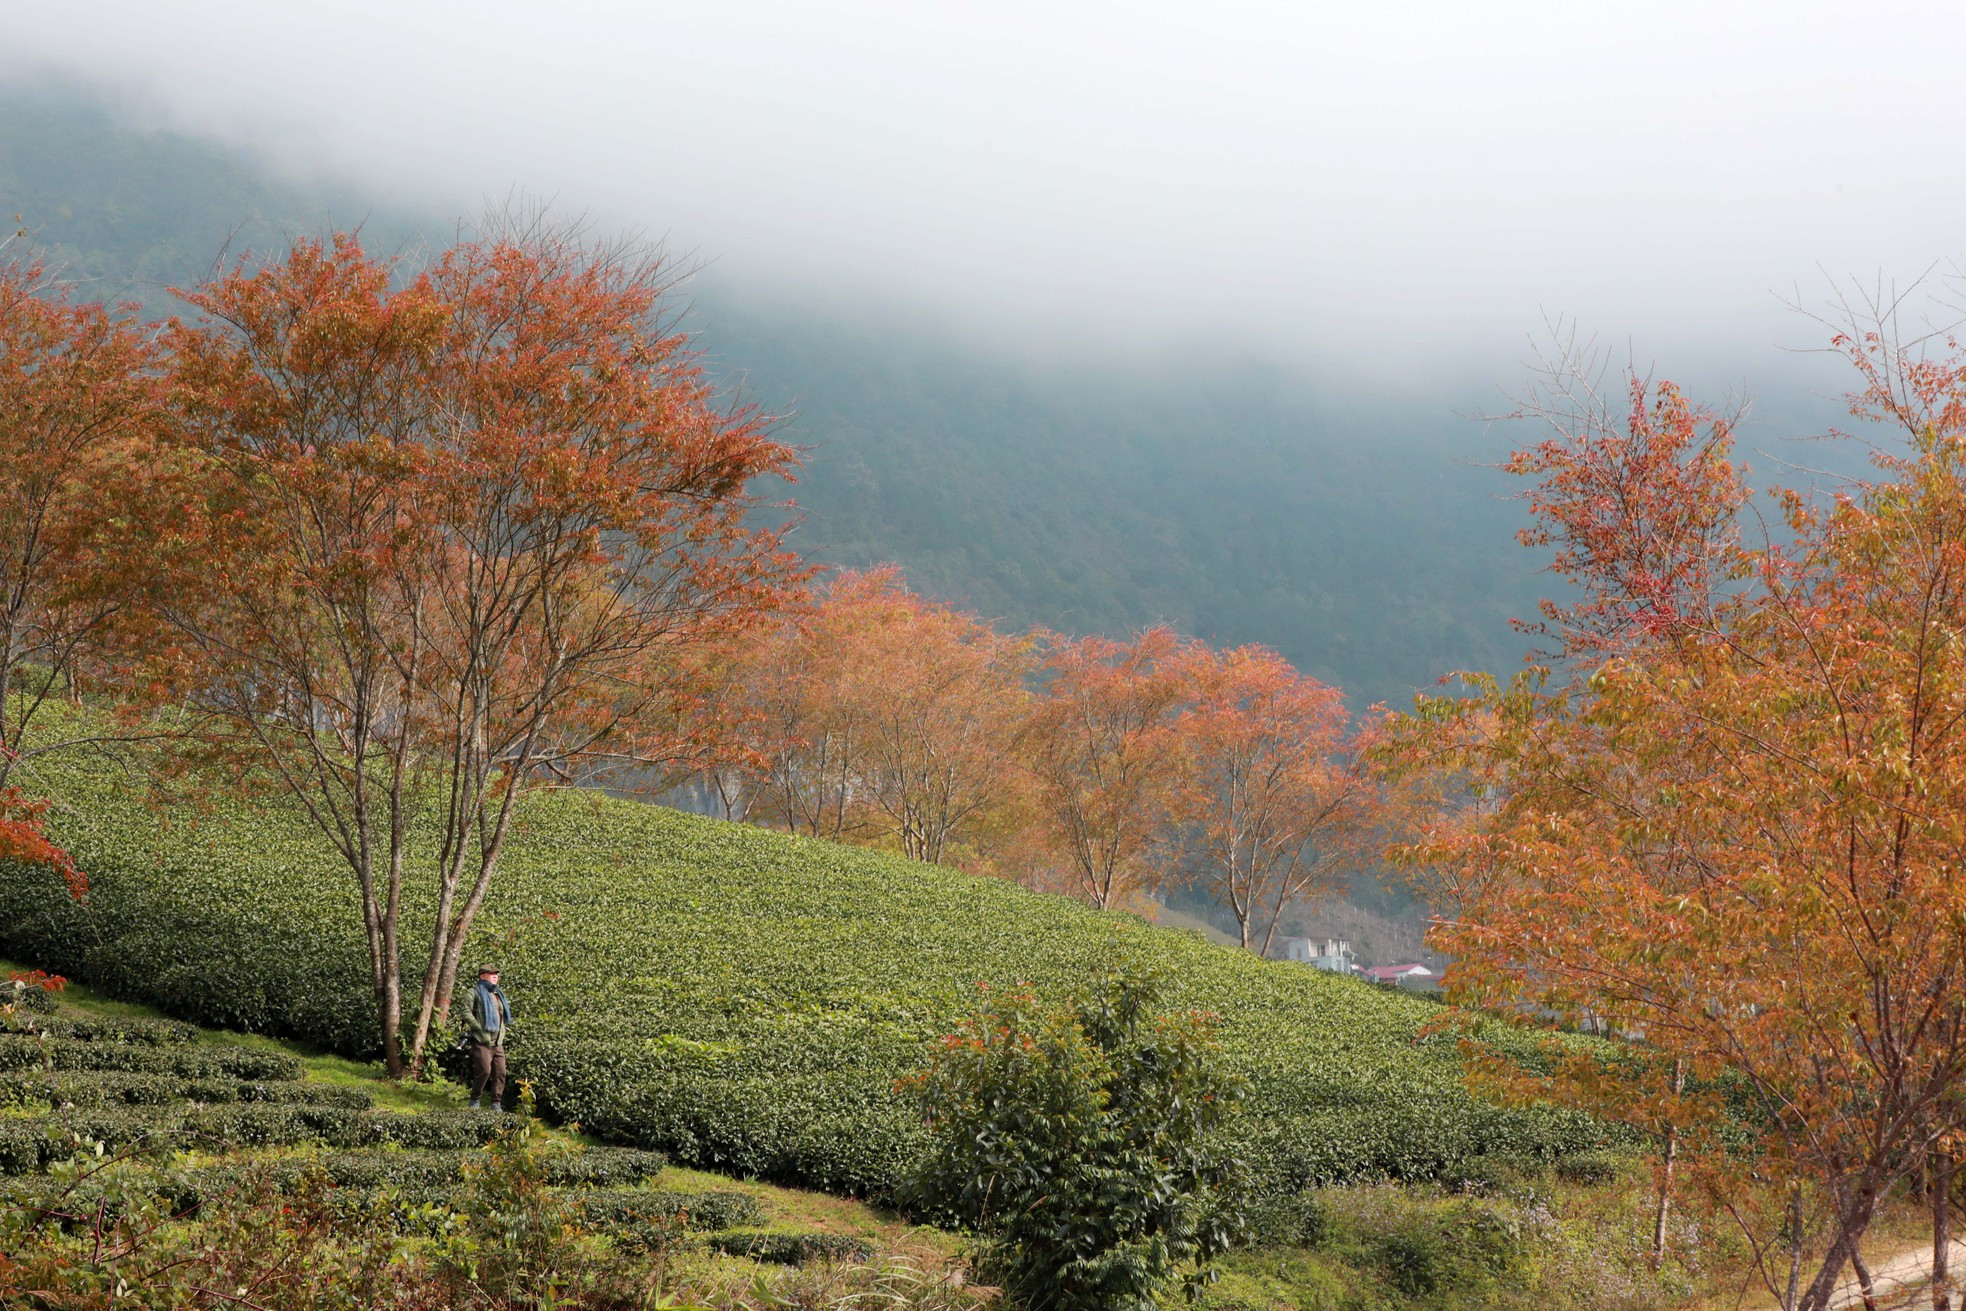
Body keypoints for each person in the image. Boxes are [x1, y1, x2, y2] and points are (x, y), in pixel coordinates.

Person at [465, 964, 513, 1111]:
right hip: (482, 1040)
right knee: (484, 1071)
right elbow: (465, 1012)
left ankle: (495, 1102)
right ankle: (475, 1099)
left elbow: (502, 1015)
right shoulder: (473, 992)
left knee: (501, 1073)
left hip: (497, 1042)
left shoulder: (498, 994)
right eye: (491, 973)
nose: (495, 976)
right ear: (482, 976)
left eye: (496, 974)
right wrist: (478, 1027)